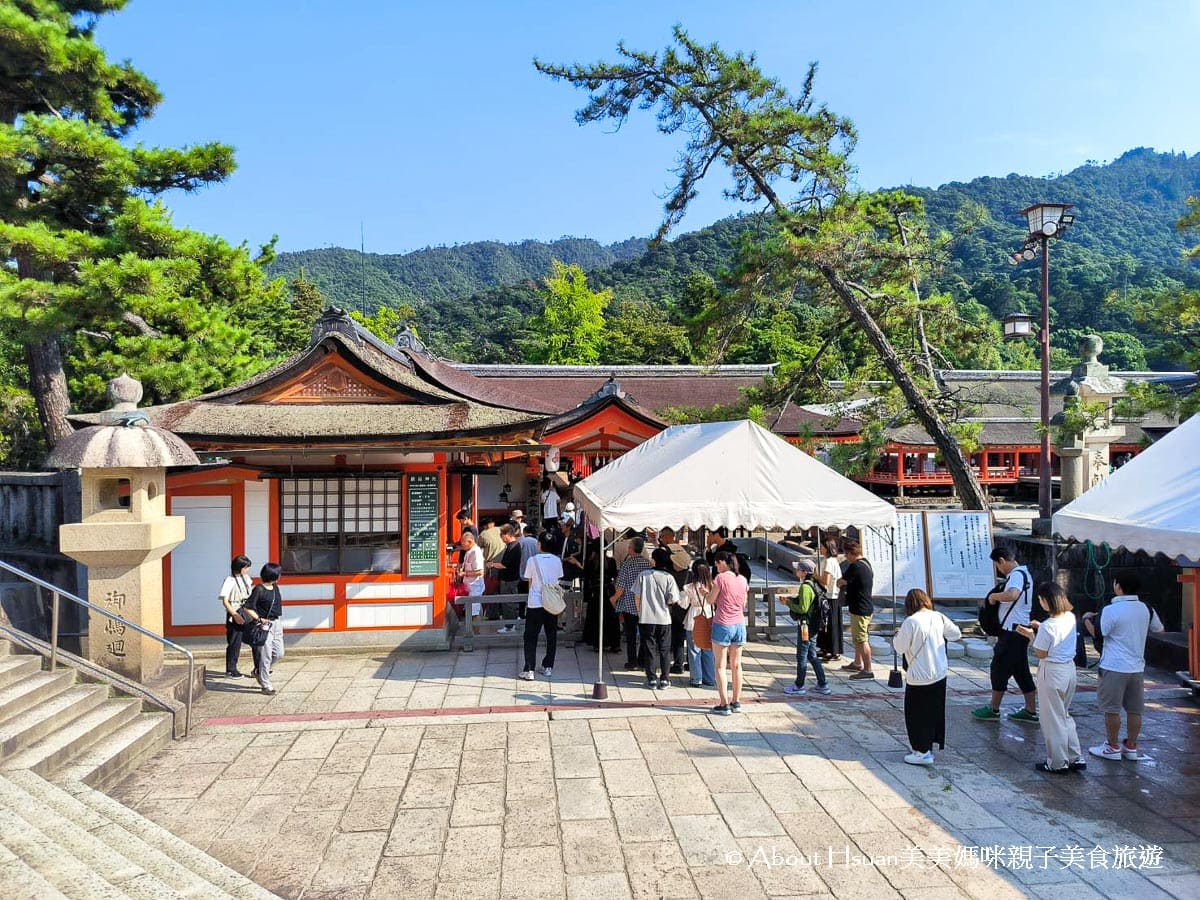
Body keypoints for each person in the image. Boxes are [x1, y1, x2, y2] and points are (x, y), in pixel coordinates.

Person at [1082, 572, 1165, 761]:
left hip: (1113, 666)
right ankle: (1131, 746)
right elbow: (1160, 629)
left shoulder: (1111, 610)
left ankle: (1112, 746)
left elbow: (1098, 632)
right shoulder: (1146, 609)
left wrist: (1086, 619)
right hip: (1137, 668)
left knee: (1111, 709)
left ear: (1118, 586)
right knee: (1135, 710)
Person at [1016, 583, 1085, 773]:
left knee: (1051, 718)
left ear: (1047, 601)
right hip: (1069, 670)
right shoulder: (1070, 617)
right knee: (1064, 713)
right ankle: (1075, 756)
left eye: (1040, 600)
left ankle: (1057, 762)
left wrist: (1032, 636)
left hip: (1052, 671)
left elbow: (1041, 653)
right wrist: (1040, 630)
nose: (1040, 602)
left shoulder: (1048, 627)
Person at [892, 588, 962, 766]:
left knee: (916, 714)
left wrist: (897, 635)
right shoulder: (938, 616)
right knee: (933, 712)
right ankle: (929, 746)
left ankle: (921, 751)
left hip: (919, 675)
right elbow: (956, 634)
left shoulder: (911, 622)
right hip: (939, 672)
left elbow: (899, 647)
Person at [972, 548, 1038, 722]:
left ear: (1002, 560)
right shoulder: (1025, 573)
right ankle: (1030, 711)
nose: (998, 569)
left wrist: (994, 597)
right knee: (1021, 671)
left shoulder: (1016, 575)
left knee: (998, 669)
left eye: (997, 565)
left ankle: (994, 709)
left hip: (1012, 632)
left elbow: (1013, 594)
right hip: (1019, 631)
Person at [705, 551, 749, 715]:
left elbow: (711, 600)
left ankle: (724, 704)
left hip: (723, 623)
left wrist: (706, 594)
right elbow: (743, 603)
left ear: (723, 562)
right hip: (739, 623)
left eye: (717, 563)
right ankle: (736, 701)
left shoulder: (721, 579)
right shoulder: (742, 579)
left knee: (720, 666)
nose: (716, 566)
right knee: (737, 665)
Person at [634, 548, 681, 689]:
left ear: (654, 560)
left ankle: (652, 678)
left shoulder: (643, 575)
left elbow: (637, 596)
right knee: (664, 649)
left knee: (649, 648)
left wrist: (639, 611)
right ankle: (665, 678)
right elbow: (673, 599)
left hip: (646, 617)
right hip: (664, 618)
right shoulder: (669, 577)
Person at [784, 560, 832, 696]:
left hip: (806, 625)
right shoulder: (814, 585)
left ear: (804, 572)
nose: (796, 571)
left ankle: (799, 685)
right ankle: (822, 683)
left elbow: (803, 608)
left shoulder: (805, 587)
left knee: (802, 655)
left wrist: (788, 603)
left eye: (798, 569)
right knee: (812, 654)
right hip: (814, 625)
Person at [520, 531, 564, 680]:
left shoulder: (532, 560)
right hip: (551, 602)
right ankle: (548, 666)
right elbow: (557, 580)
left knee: (531, 636)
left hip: (535, 602)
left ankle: (529, 668)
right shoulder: (557, 560)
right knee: (551, 635)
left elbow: (529, 581)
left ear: (540, 544)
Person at [241, 562, 283, 695]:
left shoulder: (275, 587)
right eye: (278, 573)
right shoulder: (259, 589)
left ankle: (259, 671)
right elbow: (247, 607)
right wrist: (258, 619)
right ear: (273, 575)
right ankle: (265, 684)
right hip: (265, 625)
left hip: (277, 623)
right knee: (266, 655)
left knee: (279, 653)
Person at [611, 536, 653, 669]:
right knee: (644, 635)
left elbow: (621, 586)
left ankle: (632, 661)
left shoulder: (627, 564)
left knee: (631, 635)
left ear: (632, 549)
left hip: (629, 605)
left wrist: (613, 599)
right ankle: (642, 659)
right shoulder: (647, 564)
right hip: (644, 605)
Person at [837, 541, 876, 680]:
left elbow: (841, 581)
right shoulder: (866, 563)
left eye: (846, 554)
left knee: (861, 639)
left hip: (860, 608)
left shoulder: (855, 566)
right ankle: (857, 662)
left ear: (851, 553)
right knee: (858, 637)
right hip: (865, 605)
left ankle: (868, 669)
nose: (846, 557)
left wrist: (841, 583)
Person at [658, 527, 691, 673]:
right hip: (689, 610)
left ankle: (678, 664)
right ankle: (690, 663)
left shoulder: (671, 576)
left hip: (677, 609)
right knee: (688, 638)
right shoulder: (691, 575)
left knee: (678, 637)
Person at [682, 560, 716, 687]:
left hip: (694, 618)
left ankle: (696, 678)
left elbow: (683, 603)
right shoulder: (712, 585)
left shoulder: (689, 587)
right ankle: (710, 678)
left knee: (694, 650)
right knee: (708, 649)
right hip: (709, 616)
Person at [219, 555, 253, 678]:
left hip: (247, 611)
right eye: (246, 567)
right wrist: (234, 614)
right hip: (235, 611)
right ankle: (231, 669)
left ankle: (259, 667)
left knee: (255, 639)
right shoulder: (230, 580)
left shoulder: (246, 578)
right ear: (240, 567)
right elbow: (225, 600)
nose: (248, 569)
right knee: (235, 642)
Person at [489, 524, 523, 633]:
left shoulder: (513, 547)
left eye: (502, 536)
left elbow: (504, 565)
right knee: (511, 602)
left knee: (508, 603)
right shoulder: (513, 545)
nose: (502, 538)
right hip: (512, 578)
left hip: (509, 579)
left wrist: (492, 565)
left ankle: (509, 626)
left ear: (508, 535)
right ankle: (513, 622)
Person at [816, 539, 844, 661]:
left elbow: (825, 581)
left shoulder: (828, 562)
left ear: (827, 548)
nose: (820, 548)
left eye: (821, 546)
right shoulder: (833, 561)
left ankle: (833, 650)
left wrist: (815, 576)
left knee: (830, 624)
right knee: (830, 623)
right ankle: (826, 648)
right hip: (833, 596)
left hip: (830, 595)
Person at [457, 531, 486, 622]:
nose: (462, 545)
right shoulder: (469, 551)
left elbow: (480, 572)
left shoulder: (476, 552)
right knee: (470, 611)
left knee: (474, 612)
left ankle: (476, 633)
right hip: (469, 586)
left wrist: (464, 574)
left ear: (470, 541)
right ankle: (473, 632)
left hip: (475, 586)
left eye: (463, 543)